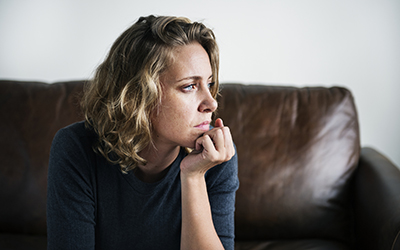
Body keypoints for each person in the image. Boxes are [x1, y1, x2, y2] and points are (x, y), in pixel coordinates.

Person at [46, 15, 239, 249]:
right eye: (189, 86)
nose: (211, 103)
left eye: (209, 84)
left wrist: (193, 177)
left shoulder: (215, 155)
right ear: (138, 96)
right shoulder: (76, 148)